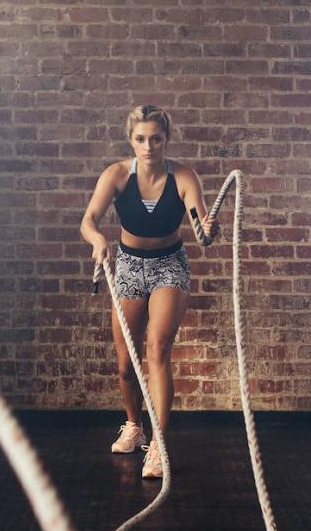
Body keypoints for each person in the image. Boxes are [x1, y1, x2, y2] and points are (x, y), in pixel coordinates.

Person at [80, 105, 218, 479]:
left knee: (157, 349)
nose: (148, 146)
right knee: (126, 364)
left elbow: (202, 234)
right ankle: (133, 426)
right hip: (127, 264)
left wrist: (209, 228)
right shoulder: (117, 175)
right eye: (140, 139)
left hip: (169, 265)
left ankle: (157, 443)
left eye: (156, 138)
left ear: (166, 140)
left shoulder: (184, 177)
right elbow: (89, 220)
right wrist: (97, 240)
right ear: (131, 140)